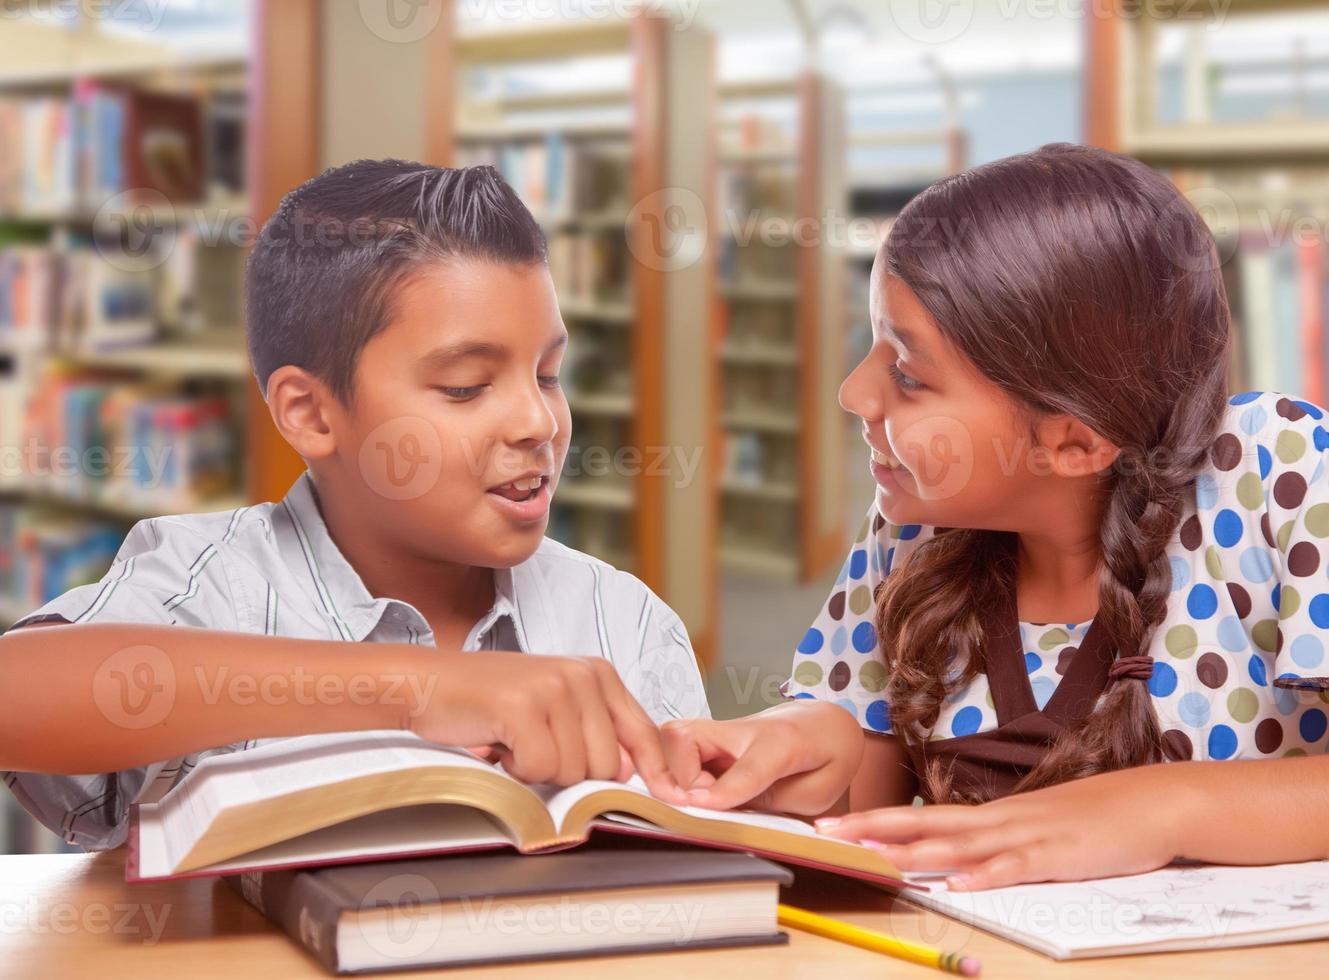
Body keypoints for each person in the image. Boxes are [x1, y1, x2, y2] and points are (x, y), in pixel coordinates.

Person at [661, 142, 1329, 891]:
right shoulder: (911, 527)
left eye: (908, 376)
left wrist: (1161, 808)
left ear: (1074, 440)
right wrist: (811, 743)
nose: (853, 393)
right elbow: (863, 822)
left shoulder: (1279, 469)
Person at [1, 160, 706, 850]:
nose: (539, 422)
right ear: (309, 413)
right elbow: (17, 692)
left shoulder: (625, 622)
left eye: (549, 375)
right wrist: (418, 689)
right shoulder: (214, 582)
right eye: (465, 386)